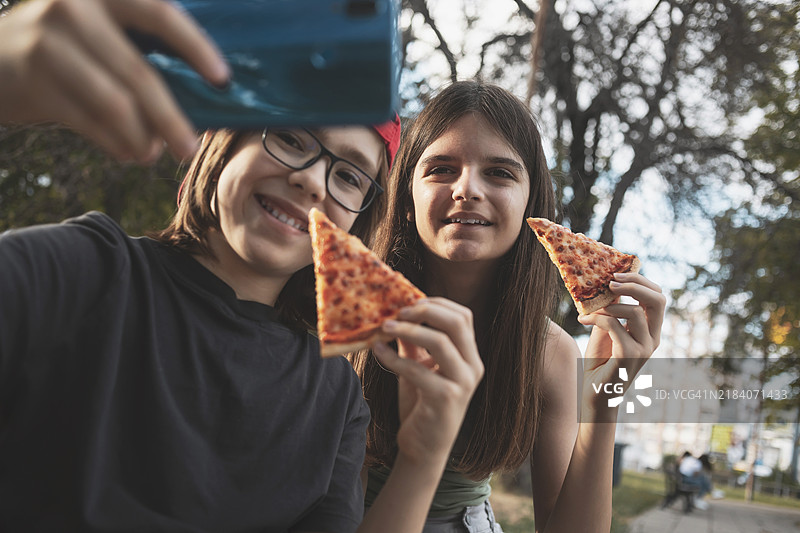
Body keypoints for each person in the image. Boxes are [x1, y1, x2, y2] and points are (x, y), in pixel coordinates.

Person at [0, 1, 483, 531]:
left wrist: (421, 458)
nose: (314, 182)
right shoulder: (87, 273)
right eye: (293, 137)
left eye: (349, 177)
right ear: (225, 141)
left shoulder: (335, 396)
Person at [349, 80, 666, 532]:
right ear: (405, 201)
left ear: (530, 209)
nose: (467, 189)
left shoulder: (549, 352)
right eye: (441, 169)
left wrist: (602, 405)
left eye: (499, 173)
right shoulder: (353, 327)